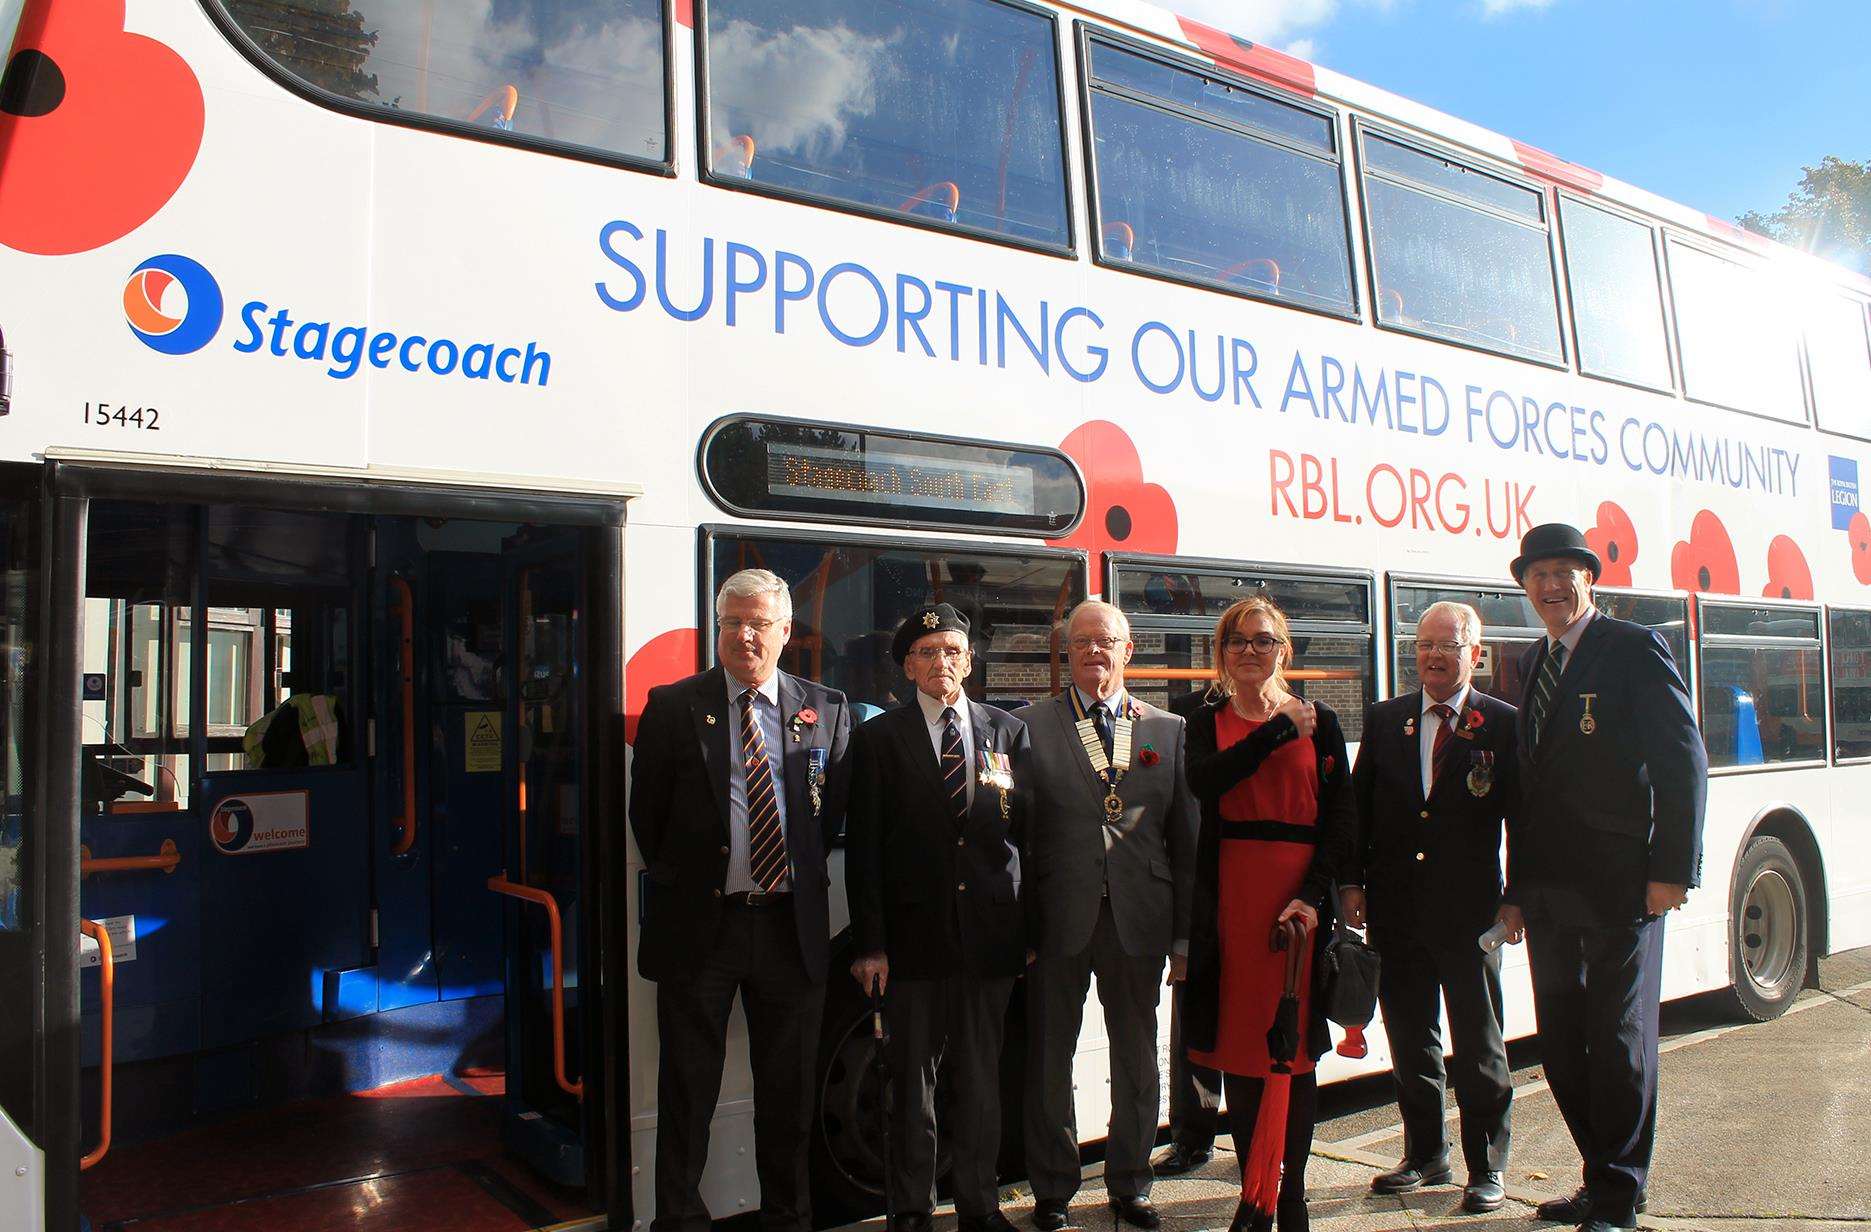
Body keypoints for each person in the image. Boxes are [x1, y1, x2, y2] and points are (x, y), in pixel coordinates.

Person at [628, 568, 853, 1232]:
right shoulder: (673, 706)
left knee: (788, 1095)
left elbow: (827, 815)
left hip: (791, 930)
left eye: (759, 623)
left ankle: (787, 1218)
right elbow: (650, 819)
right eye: (732, 622)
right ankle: (678, 1221)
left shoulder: (827, 709)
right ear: (717, 628)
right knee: (687, 1088)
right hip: (704, 928)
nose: (744, 635)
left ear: (786, 632)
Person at [1508, 524, 1707, 1232]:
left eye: (1564, 572)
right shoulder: (1531, 661)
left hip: (1622, 884)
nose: (1551, 586)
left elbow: (1681, 759)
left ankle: (1620, 1196)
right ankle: (1600, 1177)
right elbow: (1526, 788)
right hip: (1550, 891)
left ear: (1589, 580)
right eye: (1538, 576)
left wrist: (1671, 871)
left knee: (1618, 1044)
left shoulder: (1632, 647)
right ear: (1523, 586)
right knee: (1562, 1045)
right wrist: (1515, 890)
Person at [844, 604, 1031, 1232]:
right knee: (910, 1087)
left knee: (981, 1079)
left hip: (989, 940)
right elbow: (864, 852)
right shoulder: (877, 740)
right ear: (906, 667)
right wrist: (870, 944)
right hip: (911, 940)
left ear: (969, 660)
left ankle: (980, 1204)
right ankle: (912, 1210)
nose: (940, 663)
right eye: (926, 653)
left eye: (951, 651)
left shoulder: (1006, 731)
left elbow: (1026, 841)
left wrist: (1024, 933)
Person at [1022, 600, 1198, 1231]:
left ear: (1128, 651)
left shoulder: (1169, 730)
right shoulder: (1029, 726)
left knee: (1136, 1055)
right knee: (1050, 1058)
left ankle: (1131, 1181)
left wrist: (1183, 936)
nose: (1095, 653)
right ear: (1067, 653)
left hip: (1140, 920)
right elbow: (1018, 836)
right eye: (1082, 643)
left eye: (1107, 642)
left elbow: (1186, 842)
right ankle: (1053, 1189)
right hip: (1057, 919)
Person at [1181, 597, 1354, 1232]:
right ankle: (1255, 1197)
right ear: (1222, 654)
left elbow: (1341, 819)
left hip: (1298, 902)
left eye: (1262, 640)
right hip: (1232, 900)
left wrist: (1313, 895)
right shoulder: (1205, 720)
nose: (1249, 651)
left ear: (1283, 650)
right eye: (1236, 642)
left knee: (1294, 1052)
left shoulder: (1324, 720)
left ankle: (1292, 1196)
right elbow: (1207, 782)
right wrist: (1279, 731)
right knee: (1242, 1052)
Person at [1343, 602, 1521, 1213]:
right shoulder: (1388, 719)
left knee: (1479, 1042)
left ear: (1475, 654)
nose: (1434, 657)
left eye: (1448, 645)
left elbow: (1523, 821)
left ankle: (1486, 1166)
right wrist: (1351, 883)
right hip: (1396, 910)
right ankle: (1425, 1153)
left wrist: (1516, 898)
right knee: (1411, 1038)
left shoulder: (1500, 724)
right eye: (1424, 646)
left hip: (1471, 916)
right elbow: (1359, 812)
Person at [1153, 689, 1223, 1178]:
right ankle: (1192, 1135)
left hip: (1259, 892)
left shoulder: (1284, 713)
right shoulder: (1191, 717)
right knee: (1194, 1021)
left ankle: (1260, 1134)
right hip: (1201, 892)